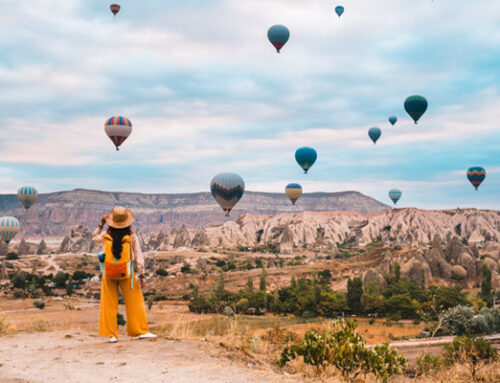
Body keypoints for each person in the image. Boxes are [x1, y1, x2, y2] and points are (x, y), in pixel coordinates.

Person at [93, 206, 156, 343]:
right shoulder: (132, 236)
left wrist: (101, 224)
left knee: (108, 303)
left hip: (108, 273)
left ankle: (112, 335)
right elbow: (138, 256)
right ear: (128, 222)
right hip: (127, 274)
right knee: (135, 301)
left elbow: (94, 238)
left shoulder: (105, 235)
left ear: (111, 221)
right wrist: (142, 275)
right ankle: (140, 331)